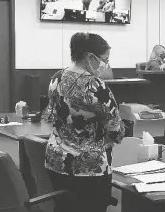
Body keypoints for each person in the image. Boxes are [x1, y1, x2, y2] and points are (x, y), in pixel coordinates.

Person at [44, 32, 125, 212]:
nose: (105, 65)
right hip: (89, 169)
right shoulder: (97, 86)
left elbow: (50, 115)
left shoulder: (56, 78)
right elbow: (115, 130)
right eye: (104, 60)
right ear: (90, 57)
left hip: (56, 161)